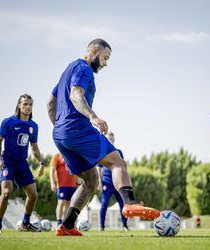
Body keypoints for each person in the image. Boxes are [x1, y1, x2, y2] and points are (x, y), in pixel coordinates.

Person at [47, 38, 160, 237]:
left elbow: (50, 102)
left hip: (60, 134)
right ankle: (129, 203)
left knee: (91, 180)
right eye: (105, 58)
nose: (105, 63)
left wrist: (59, 128)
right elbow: (76, 94)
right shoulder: (84, 69)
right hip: (77, 128)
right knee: (117, 161)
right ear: (95, 51)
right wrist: (93, 117)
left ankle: (66, 225)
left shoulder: (68, 69)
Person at [0, 94, 45, 233]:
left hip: (22, 163)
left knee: (33, 194)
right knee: (6, 192)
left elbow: (34, 147)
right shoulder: (8, 122)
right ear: (19, 105)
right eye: (25, 104)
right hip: (8, 162)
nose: (27, 107)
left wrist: (41, 162)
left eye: (30, 104)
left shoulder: (33, 126)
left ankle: (25, 224)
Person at [98, 131, 129, 231]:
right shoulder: (102, 151)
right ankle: (101, 226)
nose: (110, 140)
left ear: (114, 140)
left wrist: (125, 180)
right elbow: (99, 168)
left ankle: (125, 225)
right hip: (106, 182)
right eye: (108, 138)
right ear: (106, 139)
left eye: (112, 138)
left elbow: (123, 166)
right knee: (104, 204)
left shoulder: (119, 152)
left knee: (122, 204)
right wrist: (99, 182)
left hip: (118, 183)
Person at [50, 152, 78, 227]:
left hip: (72, 185)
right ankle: (59, 222)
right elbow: (52, 170)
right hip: (62, 185)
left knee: (69, 204)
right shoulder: (57, 156)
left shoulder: (72, 155)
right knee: (61, 202)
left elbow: (76, 169)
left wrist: (78, 180)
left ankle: (65, 222)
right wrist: (52, 182)